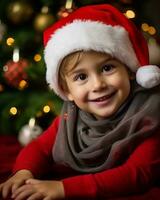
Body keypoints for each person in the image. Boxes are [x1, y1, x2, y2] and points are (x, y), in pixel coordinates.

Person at [1, 4, 160, 200]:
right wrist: (23, 172)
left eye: (107, 68)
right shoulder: (71, 117)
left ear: (128, 70)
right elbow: (39, 147)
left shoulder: (149, 116)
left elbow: (137, 174)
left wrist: (63, 188)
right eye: (81, 77)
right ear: (66, 91)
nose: (98, 85)